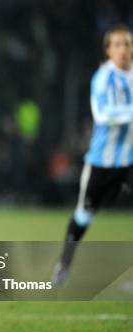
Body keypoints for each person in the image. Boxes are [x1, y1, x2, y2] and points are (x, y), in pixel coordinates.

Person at [53, 25, 133, 285]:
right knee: (84, 216)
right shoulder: (103, 78)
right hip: (102, 164)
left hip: (129, 162)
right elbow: (102, 115)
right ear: (108, 50)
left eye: (128, 44)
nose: (124, 49)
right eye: (118, 44)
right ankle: (63, 265)